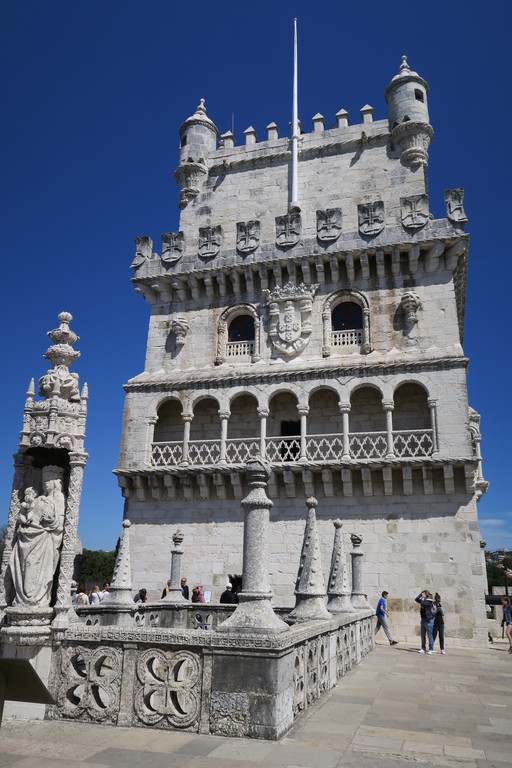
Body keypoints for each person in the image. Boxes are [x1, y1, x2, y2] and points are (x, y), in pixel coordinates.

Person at [415, 589, 436, 654]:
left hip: (429, 620)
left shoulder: (429, 601)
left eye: (423, 593)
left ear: (426, 594)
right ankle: (423, 648)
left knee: (430, 635)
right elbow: (416, 599)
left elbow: (423, 603)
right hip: (423, 619)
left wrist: (423, 597)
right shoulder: (423, 600)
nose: (422, 595)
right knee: (422, 635)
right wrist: (420, 595)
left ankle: (431, 649)